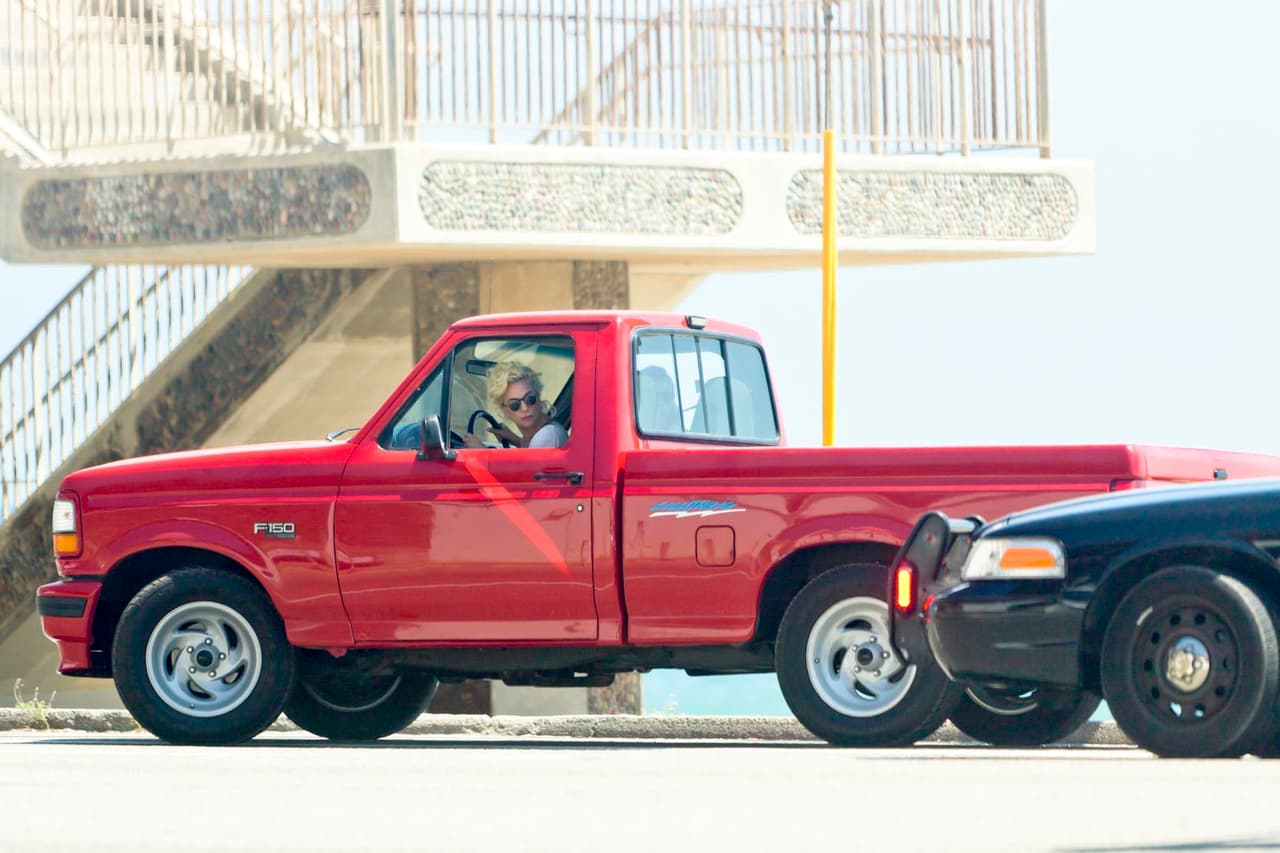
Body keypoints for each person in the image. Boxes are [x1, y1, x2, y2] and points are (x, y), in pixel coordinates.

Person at [464, 361, 568, 449]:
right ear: (504, 410)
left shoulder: (548, 436)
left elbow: (524, 473)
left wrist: (482, 452)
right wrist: (516, 440)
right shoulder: (539, 434)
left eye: (530, 399)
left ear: (539, 397)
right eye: (514, 405)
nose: (525, 408)